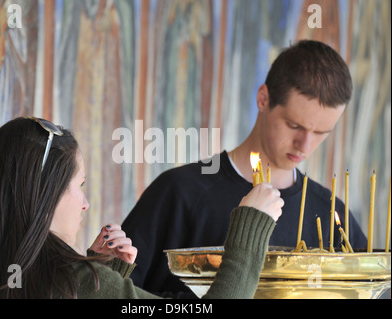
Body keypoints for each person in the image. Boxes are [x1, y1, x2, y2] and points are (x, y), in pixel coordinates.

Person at [121, 40, 368, 297]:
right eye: (294, 125)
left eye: (320, 133)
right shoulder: (181, 191)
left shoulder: (330, 215)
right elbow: (118, 291)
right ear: (263, 99)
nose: (304, 144)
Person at [0, 117, 283, 299]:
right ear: (44, 195)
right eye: (79, 186)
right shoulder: (74, 283)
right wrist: (250, 228)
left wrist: (101, 272)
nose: (85, 203)